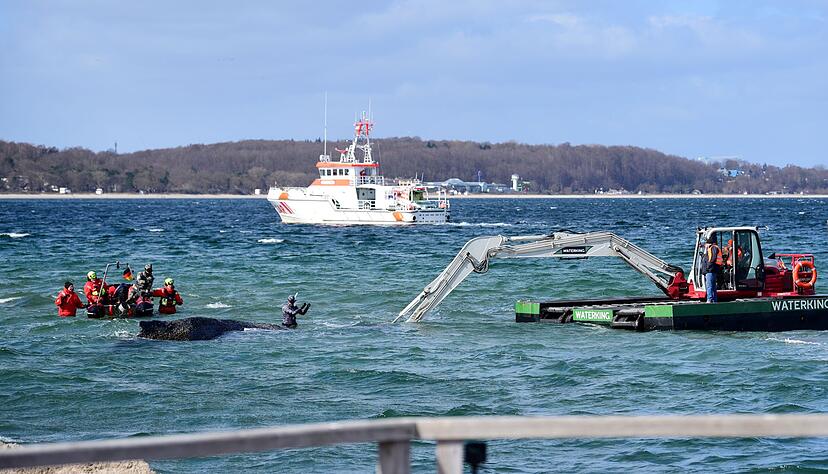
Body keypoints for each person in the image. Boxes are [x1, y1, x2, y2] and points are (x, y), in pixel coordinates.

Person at [703, 233, 723, 303]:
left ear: (709, 244)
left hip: (710, 270)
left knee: (709, 286)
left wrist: (708, 267)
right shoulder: (712, 248)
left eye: (706, 244)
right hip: (712, 269)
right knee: (713, 286)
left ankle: (710, 299)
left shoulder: (713, 248)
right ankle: (714, 300)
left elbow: (712, 259)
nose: (705, 245)